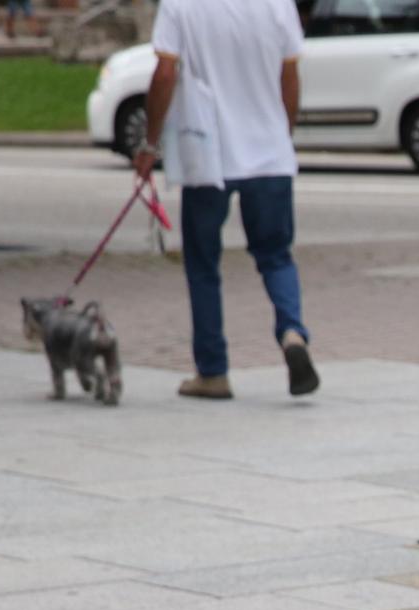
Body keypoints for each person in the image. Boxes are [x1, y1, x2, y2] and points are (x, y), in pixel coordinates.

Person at [131, 0, 319, 401]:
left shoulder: (181, 6)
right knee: (276, 255)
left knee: (202, 264)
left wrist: (151, 142)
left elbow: (164, 74)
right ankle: (291, 333)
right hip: (269, 155)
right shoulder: (277, 4)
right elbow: (290, 74)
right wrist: (281, 134)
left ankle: (213, 371)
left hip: (207, 155)